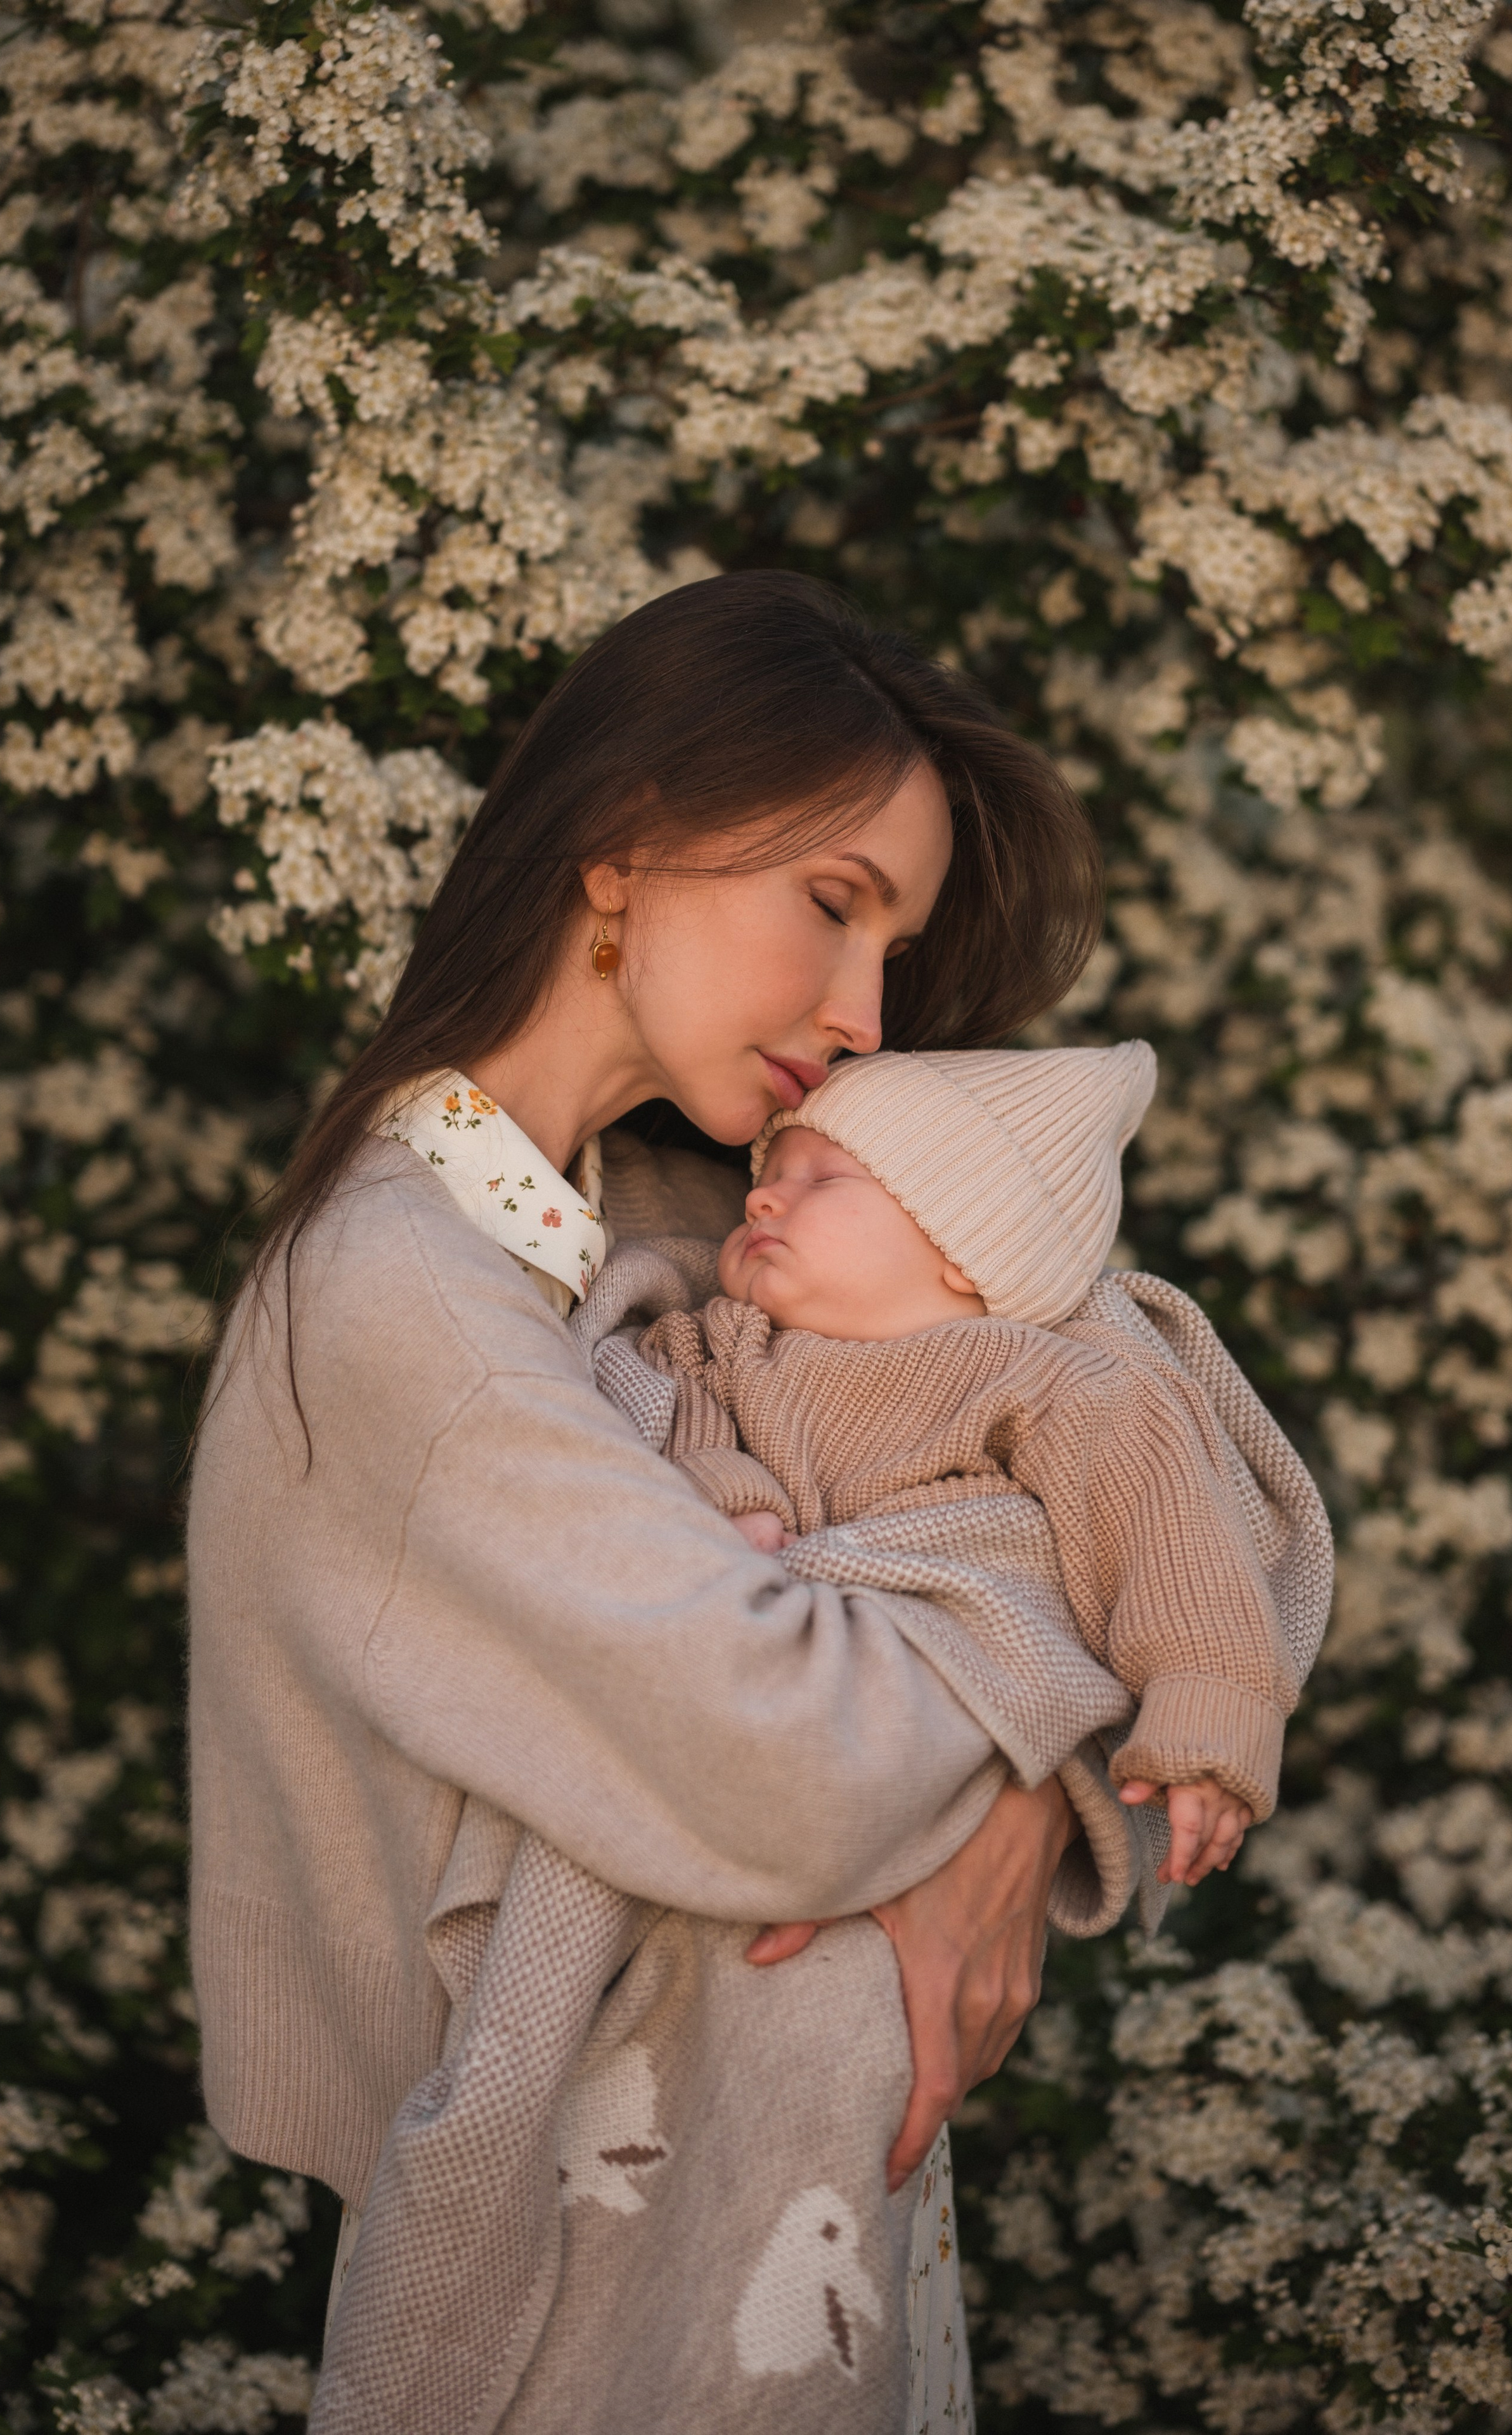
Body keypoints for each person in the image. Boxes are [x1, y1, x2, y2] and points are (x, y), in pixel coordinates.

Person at [185, 572, 1322, 2435]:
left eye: (895, 945)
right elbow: (792, 1768)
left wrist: (1024, 1790)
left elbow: (1182, 1466)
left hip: (824, 2247)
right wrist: (1026, 1724)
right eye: (833, 903)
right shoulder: (400, 1302)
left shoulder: (697, 1218)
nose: (865, 1013)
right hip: (601, 2299)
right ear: (625, 845)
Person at [597, 1041, 1331, 1902]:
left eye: (821, 1180)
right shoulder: (722, 1340)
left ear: (962, 1247)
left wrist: (1208, 1705)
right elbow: (680, 1414)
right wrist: (735, 1501)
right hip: (770, 1676)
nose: (761, 1197)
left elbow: (1166, 1524)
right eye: (769, 1176)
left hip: (927, 1686)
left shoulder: (1037, 1372)